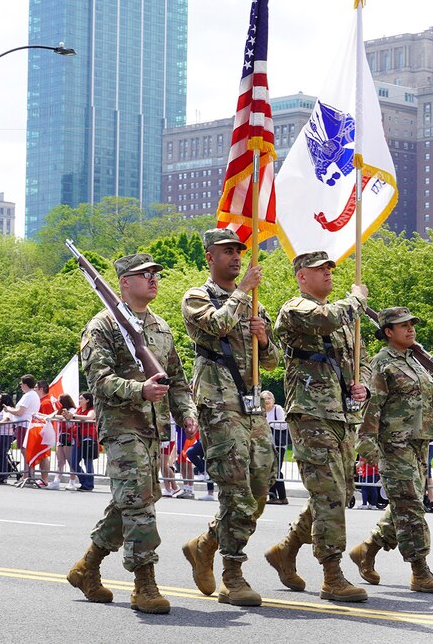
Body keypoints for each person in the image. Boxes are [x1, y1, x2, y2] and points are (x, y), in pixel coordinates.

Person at [67, 252, 198, 615]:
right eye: (144, 275)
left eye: (155, 273)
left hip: (153, 428)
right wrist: (138, 390)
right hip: (122, 427)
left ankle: (87, 566)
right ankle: (144, 583)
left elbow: (177, 381)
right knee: (139, 501)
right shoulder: (103, 326)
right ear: (124, 283)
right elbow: (100, 381)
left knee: (134, 499)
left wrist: (186, 413)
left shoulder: (160, 327)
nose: (153, 279)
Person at [178, 228, 280, 607]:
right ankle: (232, 573)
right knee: (234, 488)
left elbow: (272, 361)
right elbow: (217, 325)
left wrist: (264, 337)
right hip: (219, 404)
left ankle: (205, 543)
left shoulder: (253, 303)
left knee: (260, 485)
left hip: (251, 405)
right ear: (209, 257)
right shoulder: (197, 296)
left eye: (239, 251)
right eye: (227, 252)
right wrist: (243, 293)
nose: (237, 257)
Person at [265, 251, 371, 604]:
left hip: (341, 415)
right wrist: (356, 299)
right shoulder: (296, 309)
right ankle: (331, 573)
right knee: (329, 494)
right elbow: (325, 319)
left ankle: (287, 548)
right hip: (311, 413)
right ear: (301, 277)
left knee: (338, 493)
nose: (328, 274)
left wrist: (363, 385)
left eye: (330, 269)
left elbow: (362, 361)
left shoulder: (346, 319)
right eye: (319, 269)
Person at [349, 307, 433, 594]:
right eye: (402, 325)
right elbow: (371, 408)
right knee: (411, 507)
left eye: (411, 324)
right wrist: (368, 448)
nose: (410, 329)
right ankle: (420, 570)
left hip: (420, 445)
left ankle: (366, 549)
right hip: (394, 446)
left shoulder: (420, 363)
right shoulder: (381, 364)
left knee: (406, 505)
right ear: (388, 332)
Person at [3, 375, 40, 480]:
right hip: (26, 425)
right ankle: (27, 475)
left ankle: (27, 475)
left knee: (25, 451)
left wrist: (9, 410)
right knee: (26, 451)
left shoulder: (28, 395)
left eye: (21, 384)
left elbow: (20, 412)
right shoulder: (33, 395)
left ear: (25, 384)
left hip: (24, 425)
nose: (20, 386)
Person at [264, 390, 290, 505]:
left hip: (278, 445)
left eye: (268, 398)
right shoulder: (261, 411)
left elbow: (284, 424)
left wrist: (270, 425)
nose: (266, 401)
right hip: (265, 445)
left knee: (276, 470)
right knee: (268, 470)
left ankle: (283, 496)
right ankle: (272, 495)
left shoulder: (277, 409)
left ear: (273, 400)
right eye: (264, 399)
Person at [71, 391, 98, 491]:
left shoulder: (92, 409)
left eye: (81, 398)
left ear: (87, 400)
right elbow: (71, 416)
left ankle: (89, 484)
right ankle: (84, 481)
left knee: (88, 462)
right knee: (73, 462)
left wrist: (73, 416)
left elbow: (90, 417)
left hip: (88, 438)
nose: (79, 400)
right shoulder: (79, 409)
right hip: (78, 438)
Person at [52, 393, 79, 490]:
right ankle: (56, 481)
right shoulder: (59, 411)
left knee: (70, 460)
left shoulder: (72, 410)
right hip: (61, 436)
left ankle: (72, 482)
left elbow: (69, 419)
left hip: (69, 437)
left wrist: (57, 416)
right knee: (60, 461)